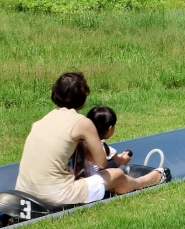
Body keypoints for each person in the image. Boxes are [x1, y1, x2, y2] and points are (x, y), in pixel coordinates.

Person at [14, 72, 168, 207]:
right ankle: (147, 180)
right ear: (82, 97)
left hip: (23, 190)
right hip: (55, 194)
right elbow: (101, 162)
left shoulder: (42, 121)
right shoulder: (81, 122)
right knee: (116, 175)